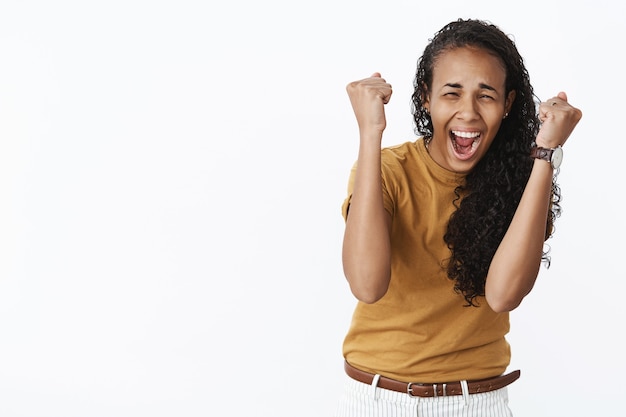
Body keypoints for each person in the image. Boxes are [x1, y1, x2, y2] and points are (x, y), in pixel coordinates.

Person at [335, 18, 582, 416]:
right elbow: (366, 284)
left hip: (476, 403)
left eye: (486, 96)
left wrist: (546, 153)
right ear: (426, 99)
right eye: (452, 93)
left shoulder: (521, 181)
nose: (468, 112)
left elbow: (504, 295)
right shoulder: (389, 171)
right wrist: (370, 132)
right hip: (376, 399)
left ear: (508, 105)